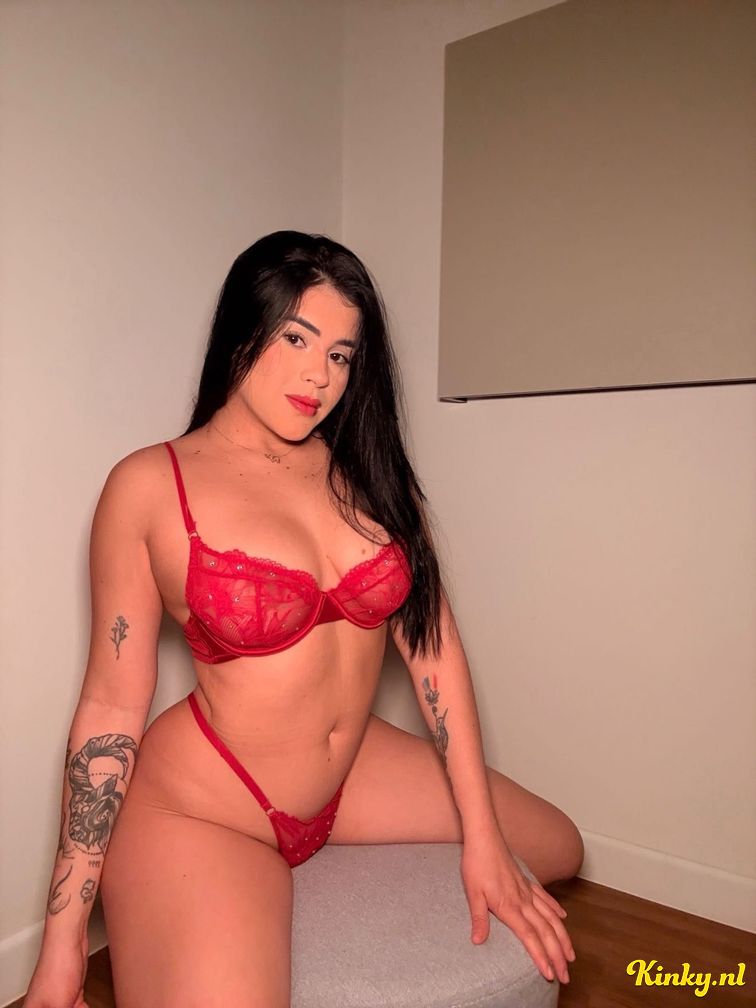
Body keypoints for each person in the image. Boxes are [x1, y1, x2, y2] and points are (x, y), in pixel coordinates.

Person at [24, 231, 583, 1008]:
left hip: (347, 776)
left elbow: (434, 650)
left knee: (558, 844)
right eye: (297, 338)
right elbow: (110, 708)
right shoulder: (149, 486)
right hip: (205, 805)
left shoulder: (371, 473)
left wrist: (482, 840)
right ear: (242, 329)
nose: (320, 376)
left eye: (341, 354)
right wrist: (61, 949)